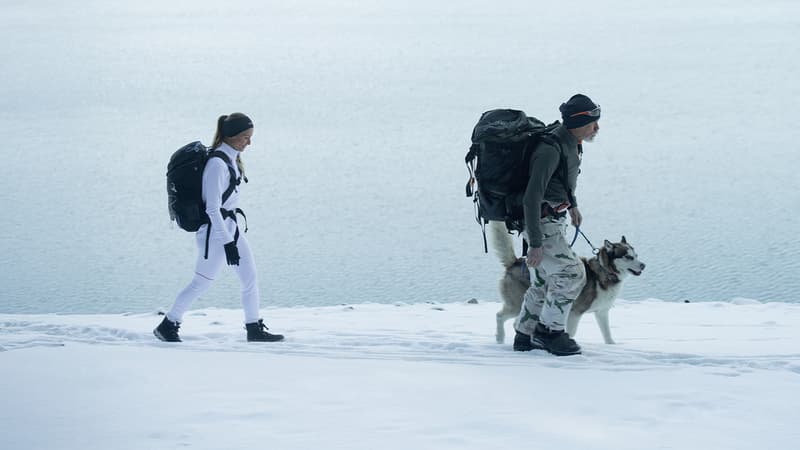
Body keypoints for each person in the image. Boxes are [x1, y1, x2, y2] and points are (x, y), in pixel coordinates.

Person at [154, 113, 284, 343]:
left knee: (250, 278)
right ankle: (168, 324)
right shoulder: (216, 164)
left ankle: (254, 328)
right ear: (232, 136)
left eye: (250, 137)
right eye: (245, 137)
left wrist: (232, 239)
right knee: (201, 282)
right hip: (215, 233)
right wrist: (227, 244)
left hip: (230, 227)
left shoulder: (230, 158)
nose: (249, 142)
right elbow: (212, 209)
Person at [512, 94, 600, 356]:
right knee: (573, 273)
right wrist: (535, 244)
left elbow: (563, 179)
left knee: (543, 280)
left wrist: (572, 205)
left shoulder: (571, 141)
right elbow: (531, 197)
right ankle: (550, 332)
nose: (597, 128)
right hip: (541, 223)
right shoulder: (549, 149)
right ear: (576, 122)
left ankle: (524, 334)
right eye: (593, 123)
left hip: (553, 218)